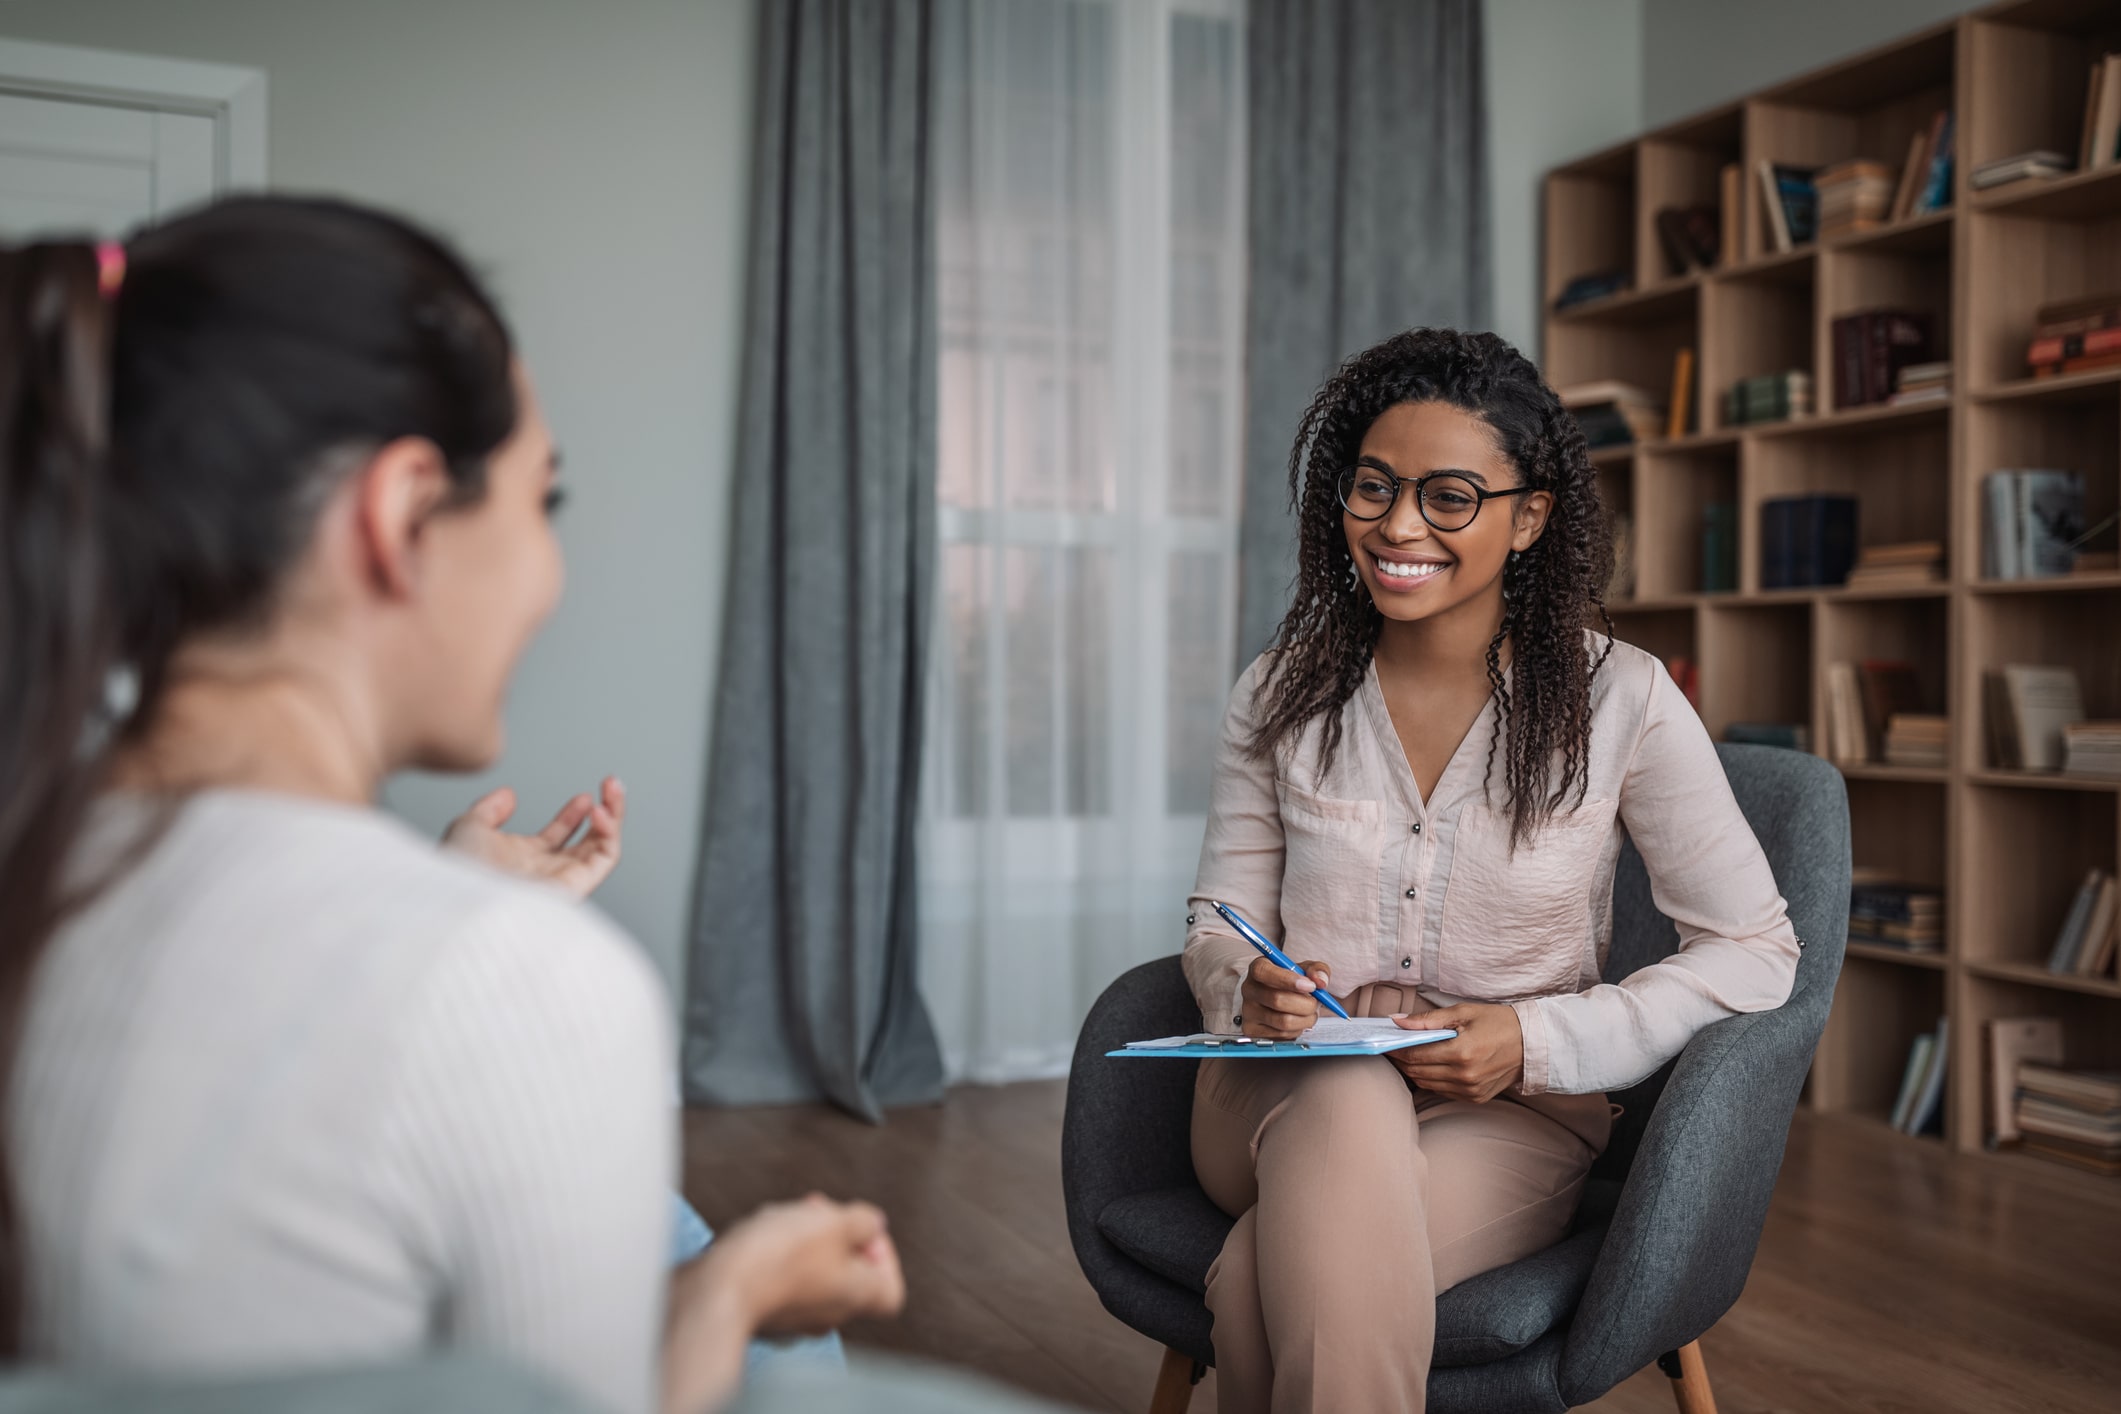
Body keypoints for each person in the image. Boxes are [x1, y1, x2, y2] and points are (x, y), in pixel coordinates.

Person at [0, 197, 901, 1414]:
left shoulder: (40, 864)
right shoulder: (521, 989)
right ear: (403, 515)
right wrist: (736, 1292)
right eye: (545, 500)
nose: (550, 570)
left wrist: (451, 894)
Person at [1181, 329, 1800, 1413]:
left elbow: (1758, 948)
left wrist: (1538, 1037)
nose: (1398, 525)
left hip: (1515, 1115)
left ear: (1530, 515)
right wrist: (1248, 984)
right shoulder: (1278, 693)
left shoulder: (1626, 702)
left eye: (1450, 496)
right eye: (1372, 486)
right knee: (1344, 1095)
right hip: (1273, 1089)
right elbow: (1218, 918)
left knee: (1253, 1283)